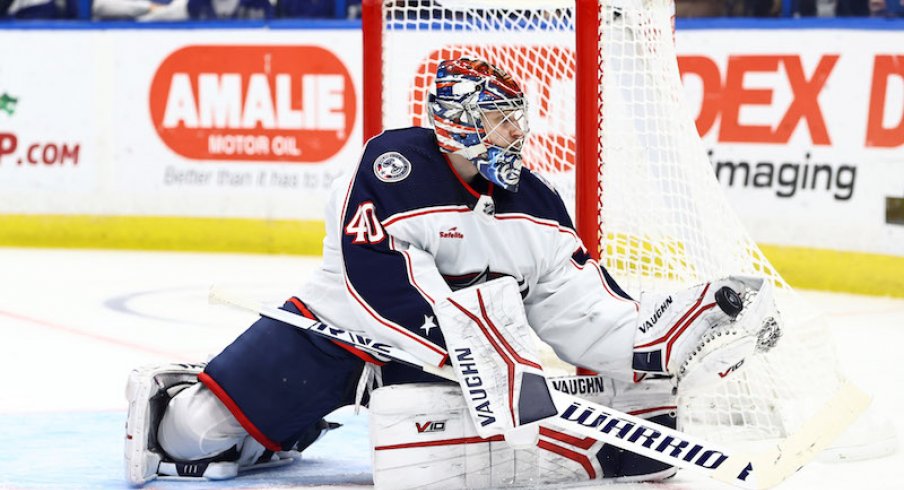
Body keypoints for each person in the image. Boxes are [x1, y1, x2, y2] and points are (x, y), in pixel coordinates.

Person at [125, 57, 769, 487]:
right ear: (457, 121)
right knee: (193, 436)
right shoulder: (394, 165)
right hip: (336, 333)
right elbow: (382, 286)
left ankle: (283, 431)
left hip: (449, 372)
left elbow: (582, 310)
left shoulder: (538, 206)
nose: (515, 133)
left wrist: (676, 328)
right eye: (498, 119)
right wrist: (492, 358)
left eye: (518, 118)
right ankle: (193, 406)